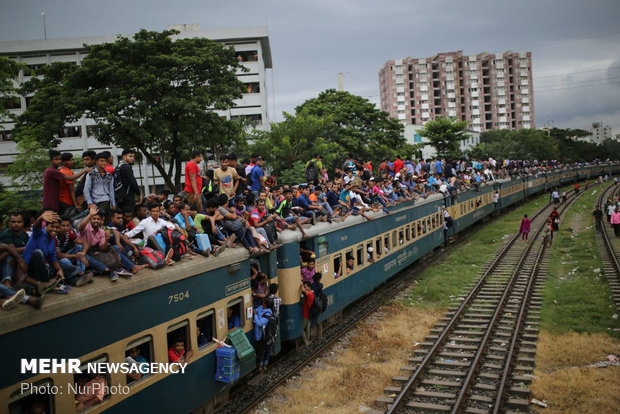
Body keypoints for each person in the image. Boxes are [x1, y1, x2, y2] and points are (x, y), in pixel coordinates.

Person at [22, 210, 65, 295]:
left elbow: (53, 259)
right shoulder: (39, 233)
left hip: (42, 269)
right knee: (38, 253)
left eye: (57, 227)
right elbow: (36, 226)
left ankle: (68, 279)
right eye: (52, 227)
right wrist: (41, 218)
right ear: (46, 227)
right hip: (29, 268)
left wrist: (60, 270)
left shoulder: (52, 242)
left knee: (63, 266)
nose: (54, 229)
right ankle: (46, 283)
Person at [84, 152, 116, 223]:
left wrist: (113, 204)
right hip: (94, 202)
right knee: (96, 221)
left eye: (105, 161)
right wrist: (89, 203)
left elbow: (111, 190)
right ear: (96, 162)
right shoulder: (91, 174)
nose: (104, 163)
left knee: (105, 221)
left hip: (106, 200)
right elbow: (86, 189)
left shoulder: (109, 176)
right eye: (101, 161)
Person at [253, 297, 275, 371]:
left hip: (263, 336)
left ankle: (262, 365)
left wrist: (255, 315)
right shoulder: (261, 307)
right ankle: (261, 365)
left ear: (265, 304)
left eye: (264, 302)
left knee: (262, 351)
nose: (262, 303)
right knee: (261, 351)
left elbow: (260, 323)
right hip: (259, 335)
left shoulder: (268, 314)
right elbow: (255, 310)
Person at [300, 281, 314, 346]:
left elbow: (303, 290)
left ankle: (306, 342)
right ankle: (308, 340)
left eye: (306, 287)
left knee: (301, 328)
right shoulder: (311, 293)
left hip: (305, 314)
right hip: (308, 313)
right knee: (307, 327)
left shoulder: (309, 294)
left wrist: (301, 284)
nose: (305, 288)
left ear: (309, 287)